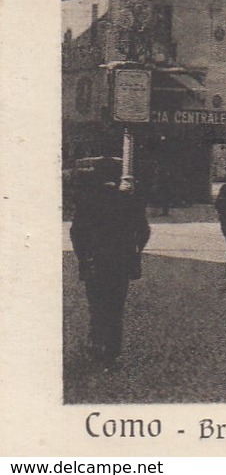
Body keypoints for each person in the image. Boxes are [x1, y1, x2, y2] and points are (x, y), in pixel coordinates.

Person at [69, 157, 150, 371]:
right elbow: (143, 231)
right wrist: (136, 252)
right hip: (120, 260)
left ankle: (96, 344)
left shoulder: (88, 200)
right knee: (115, 306)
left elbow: (76, 232)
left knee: (97, 304)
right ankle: (112, 351)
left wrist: (82, 257)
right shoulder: (129, 200)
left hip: (94, 260)